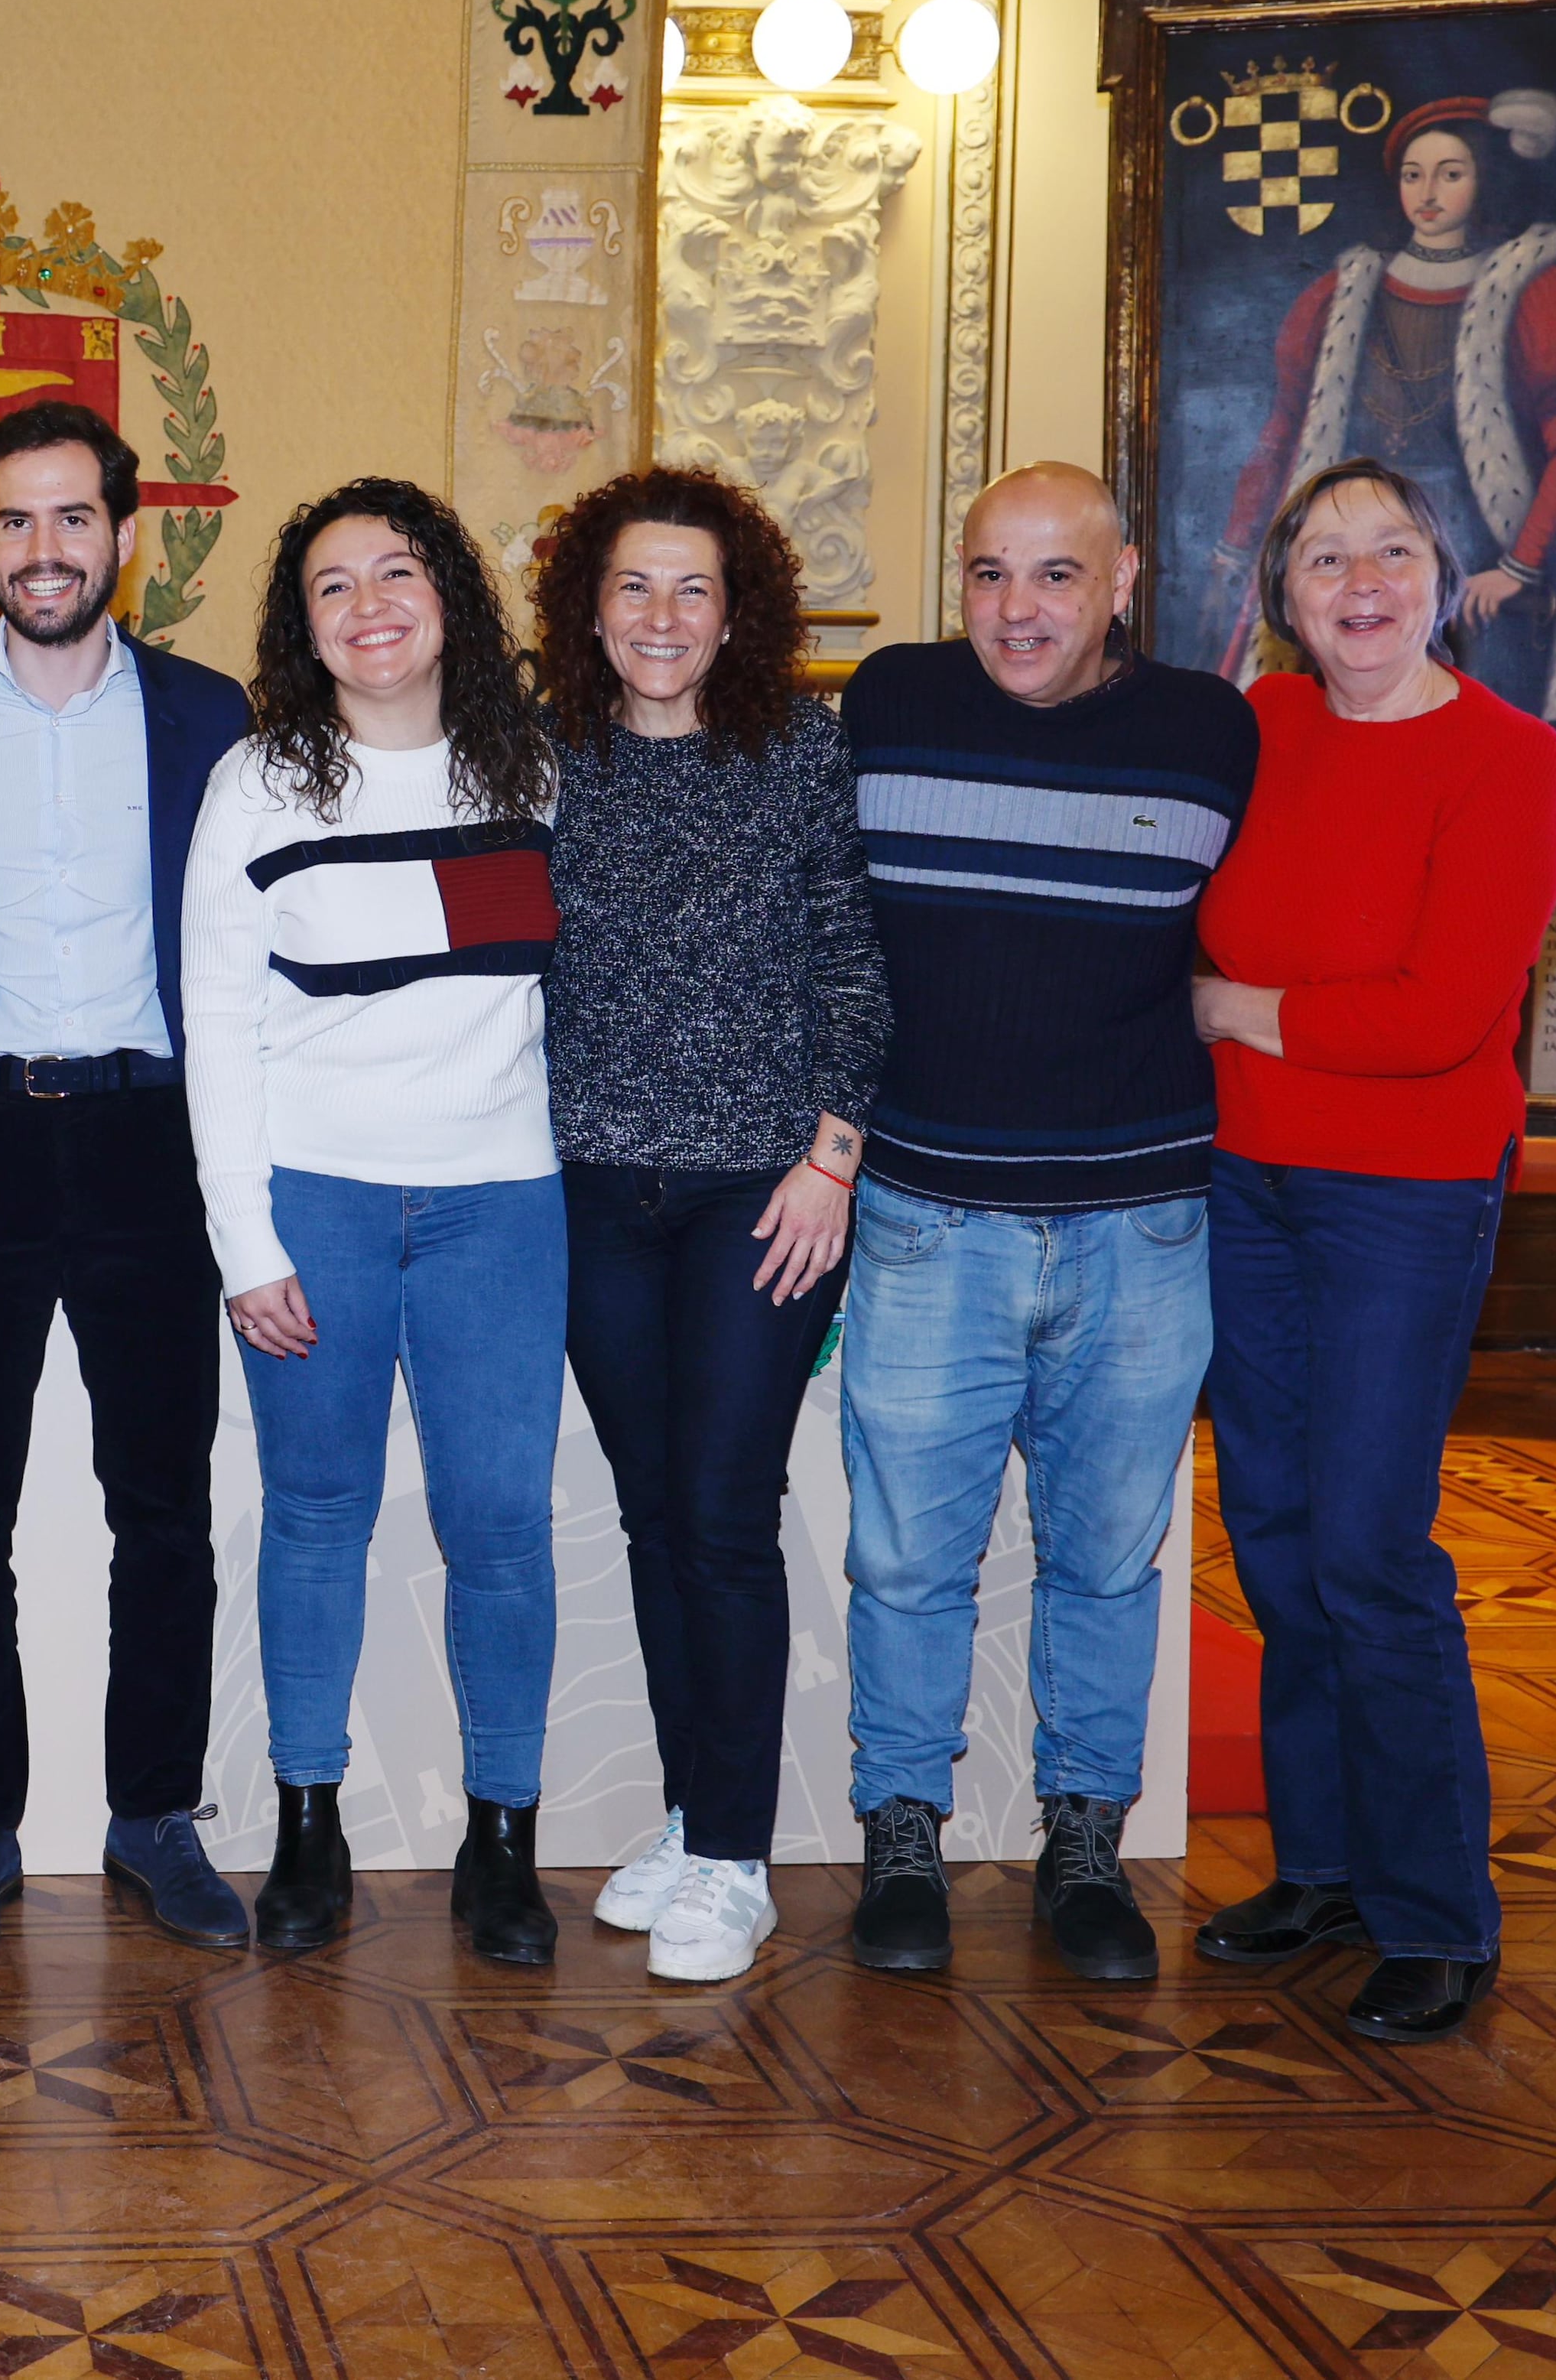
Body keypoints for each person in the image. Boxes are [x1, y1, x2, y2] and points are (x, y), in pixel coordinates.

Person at [0, 400, 255, 1963]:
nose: (43, 549)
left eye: (72, 519)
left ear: (126, 536)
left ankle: (154, 1816)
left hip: (152, 1139)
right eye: (14, 522)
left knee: (161, 1508)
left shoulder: (216, 718)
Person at [838, 463, 1257, 1981]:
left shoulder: (1210, 732)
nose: (1017, 611)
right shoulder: (885, 703)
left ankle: (1086, 1839)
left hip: (1139, 1227)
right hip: (923, 1217)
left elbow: (1260, 929)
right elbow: (832, 942)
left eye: (1055, 577)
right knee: (902, 1563)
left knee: (1104, 1558)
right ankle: (902, 1835)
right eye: (987, 574)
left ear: (1123, 580)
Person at [1192, 459, 1556, 2044]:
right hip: (1244, 1186)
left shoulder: (1506, 758)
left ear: (1439, 575)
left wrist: (1245, 1015)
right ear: (1282, 598)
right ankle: (1324, 1866)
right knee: (1273, 1534)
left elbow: (1438, 1018)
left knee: (1366, 1544)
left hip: (1403, 1193)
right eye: (1324, 556)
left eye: (1391, 551)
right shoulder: (1257, 733)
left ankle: (1436, 1913)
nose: (1359, 580)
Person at [182, 476, 564, 1964]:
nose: (368, 605)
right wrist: (246, 1243)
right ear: (303, 627)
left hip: (499, 1211)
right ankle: (307, 1828)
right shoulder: (258, 786)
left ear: (448, 597)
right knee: (317, 1517)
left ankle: (503, 1840)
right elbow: (215, 1025)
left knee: (498, 1529)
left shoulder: (528, 771)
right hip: (314, 1210)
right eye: (331, 585)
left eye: (394, 571)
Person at [531, 466, 886, 1983]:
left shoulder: (797, 749)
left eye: (691, 588)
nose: (661, 616)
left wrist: (832, 1158)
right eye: (632, 587)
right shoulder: (538, 757)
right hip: (592, 1197)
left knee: (726, 1509)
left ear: (736, 611)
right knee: (652, 1509)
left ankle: (736, 1856)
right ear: (588, 609)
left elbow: (850, 962)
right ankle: (692, 1814)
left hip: (764, 1193)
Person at [1213, 90, 1556, 746]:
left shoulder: (1534, 283)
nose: (1427, 192)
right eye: (1413, 174)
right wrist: (1236, 544)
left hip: (1489, 558)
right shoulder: (1345, 292)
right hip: (1359, 566)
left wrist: (1520, 565)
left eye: (1450, 173)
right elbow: (1284, 432)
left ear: (1483, 179)